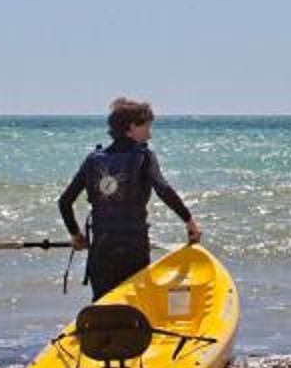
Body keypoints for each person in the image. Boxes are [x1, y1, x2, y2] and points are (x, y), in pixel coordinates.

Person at [57, 97, 201, 299]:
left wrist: (75, 235)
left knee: (103, 305)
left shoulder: (93, 160)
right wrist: (189, 221)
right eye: (147, 127)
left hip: (102, 249)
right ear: (132, 127)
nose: (150, 134)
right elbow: (163, 189)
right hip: (134, 248)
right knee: (135, 305)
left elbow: (64, 202)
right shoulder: (144, 156)